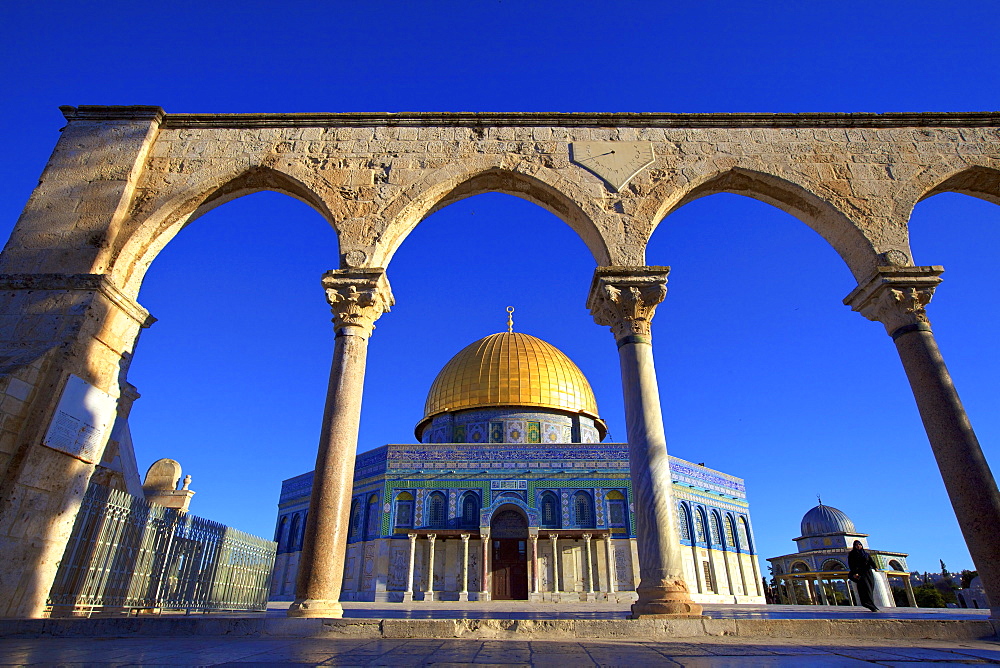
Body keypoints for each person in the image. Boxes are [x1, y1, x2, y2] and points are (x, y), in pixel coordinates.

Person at [848, 540, 880, 612]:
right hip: (860, 574)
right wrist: (855, 573)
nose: (858, 546)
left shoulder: (866, 554)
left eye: (859, 545)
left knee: (870, 588)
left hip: (868, 573)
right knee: (865, 589)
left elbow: (871, 561)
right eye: (856, 545)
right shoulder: (852, 555)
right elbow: (851, 564)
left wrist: (875, 567)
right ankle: (868, 604)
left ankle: (872, 605)